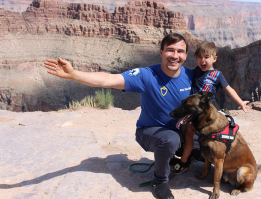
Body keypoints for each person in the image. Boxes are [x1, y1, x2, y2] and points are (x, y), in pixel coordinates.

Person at [44, 33, 193, 199]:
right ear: (161, 52)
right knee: (170, 140)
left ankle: (178, 160)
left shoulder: (191, 76)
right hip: (150, 131)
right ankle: (160, 181)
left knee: (211, 138)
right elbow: (107, 79)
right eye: (170, 50)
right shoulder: (146, 75)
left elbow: (213, 86)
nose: (175, 56)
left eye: (180, 51)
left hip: (184, 131)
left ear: (186, 55)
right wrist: (74, 74)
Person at [171, 41, 249, 174]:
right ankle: (192, 154)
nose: (202, 61)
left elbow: (228, 89)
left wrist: (240, 102)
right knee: (182, 129)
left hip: (204, 115)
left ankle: (184, 161)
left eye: (206, 57)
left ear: (214, 58)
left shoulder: (217, 75)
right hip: (192, 111)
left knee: (189, 133)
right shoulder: (195, 71)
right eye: (199, 57)